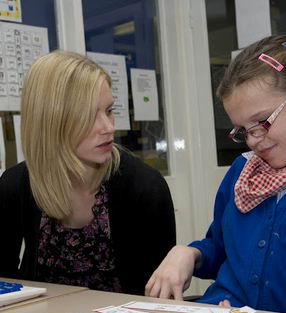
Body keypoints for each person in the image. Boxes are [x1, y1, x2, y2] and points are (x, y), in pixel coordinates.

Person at [145, 35, 286, 313]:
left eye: (262, 122)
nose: (253, 140)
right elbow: (221, 249)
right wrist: (189, 253)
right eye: (242, 130)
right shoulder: (243, 171)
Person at [0, 50, 176, 295]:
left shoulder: (144, 187)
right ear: (51, 122)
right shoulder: (15, 184)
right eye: (88, 116)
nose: (108, 127)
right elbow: (4, 280)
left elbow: (158, 297)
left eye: (109, 110)